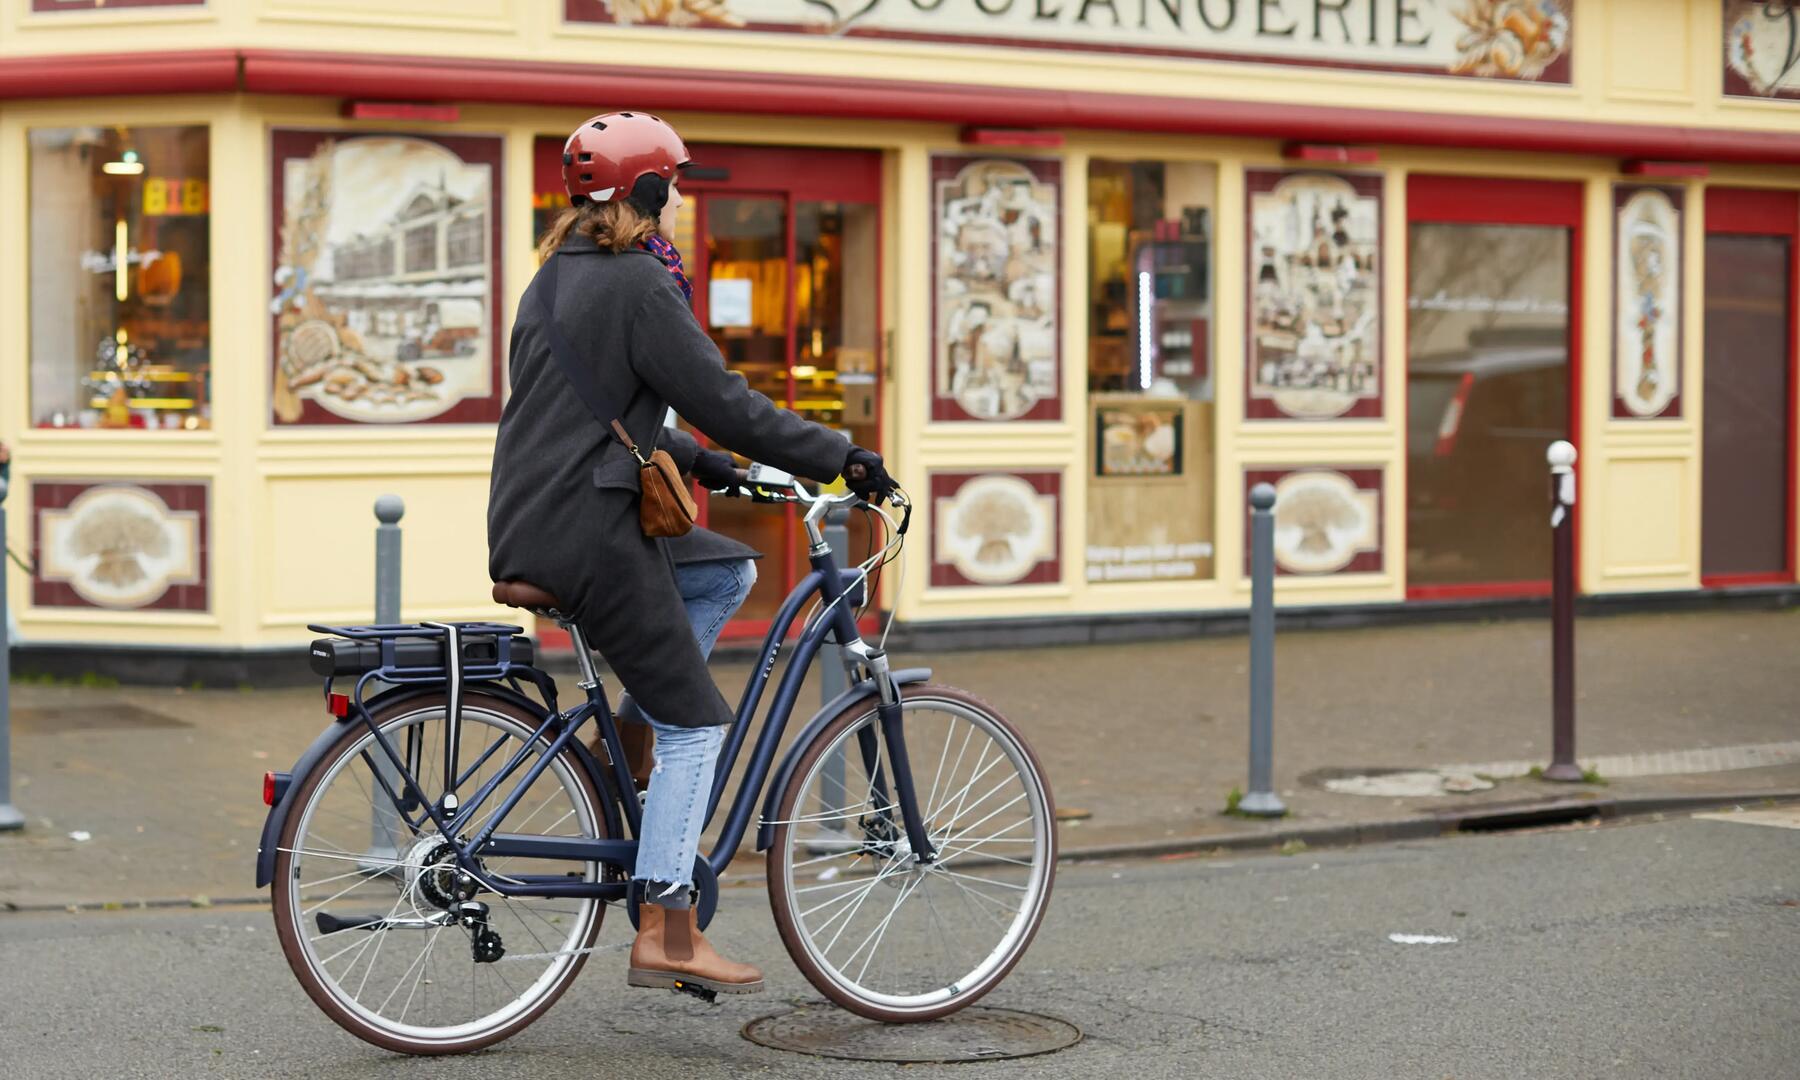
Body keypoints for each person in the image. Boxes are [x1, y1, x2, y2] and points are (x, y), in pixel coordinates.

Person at [487, 112, 894, 999]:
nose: (678, 198)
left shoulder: (555, 278)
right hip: (590, 531)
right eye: (672, 182)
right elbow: (722, 396)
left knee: (725, 569)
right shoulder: (638, 283)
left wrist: (717, 470)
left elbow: (621, 408)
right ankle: (669, 931)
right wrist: (842, 456)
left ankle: (631, 726)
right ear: (642, 192)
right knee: (698, 725)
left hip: (535, 518)